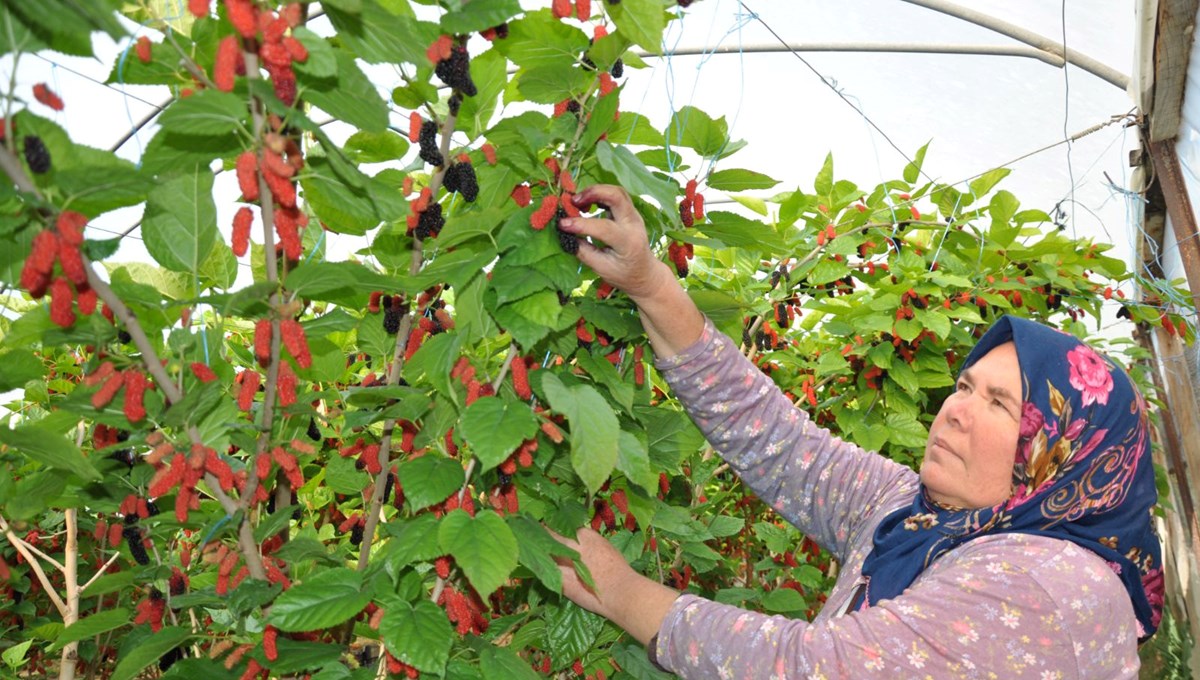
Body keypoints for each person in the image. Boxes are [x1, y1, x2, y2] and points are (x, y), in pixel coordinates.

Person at [550, 184, 1164, 678]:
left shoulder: (1048, 586)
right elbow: (779, 443)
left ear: (1064, 456)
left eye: (1001, 405)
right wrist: (650, 283)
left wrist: (622, 590)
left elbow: (822, 668)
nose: (956, 410)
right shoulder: (918, 513)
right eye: (965, 386)